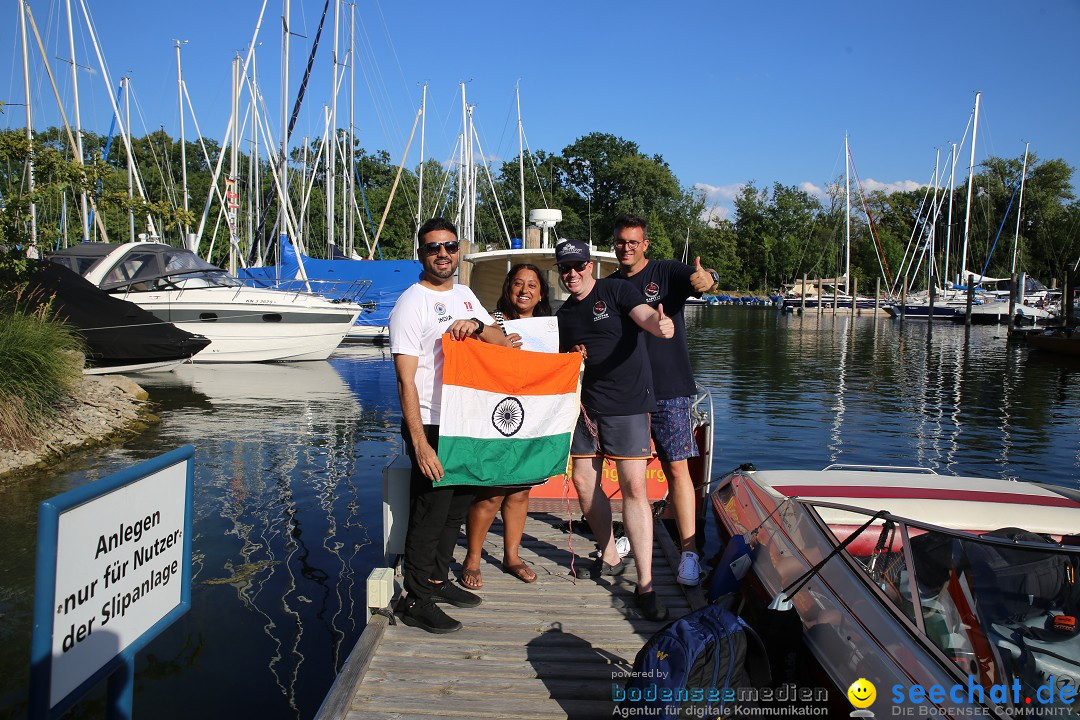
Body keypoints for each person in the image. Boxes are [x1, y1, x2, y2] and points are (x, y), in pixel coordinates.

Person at [389, 217, 513, 634]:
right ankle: (416, 598)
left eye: (449, 246)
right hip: (431, 420)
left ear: (458, 250)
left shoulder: (464, 295)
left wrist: (477, 325)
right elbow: (405, 379)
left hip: (466, 419)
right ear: (420, 254)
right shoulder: (411, 303)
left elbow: (498, 341)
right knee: (430, 512)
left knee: (456, 508)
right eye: (432, 248)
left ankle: (438, 581)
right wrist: (420, 444)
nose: (442, 254)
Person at [554, 237, 675, 621]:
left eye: (578, 266)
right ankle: (608, 552)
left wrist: (659, 323)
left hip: (626, 405)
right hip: (584, 408)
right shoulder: (562, 316)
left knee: (635, 491)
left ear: (590, 265)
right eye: (565, 268)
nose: (572, 273)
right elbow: (556, 364)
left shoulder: (616, 289)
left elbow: (644, 315)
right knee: (586, 487)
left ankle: (646, 584)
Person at [609, 213, 718, 586]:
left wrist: (709, 279)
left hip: (670, 389)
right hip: (628, 393)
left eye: (633, 242)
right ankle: (634, 532)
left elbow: (701, 279)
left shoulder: (666, 272)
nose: (627, 247)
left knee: (676, 469)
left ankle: (689, 551)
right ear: (615, 244)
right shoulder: (608, 286)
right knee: (632, 476)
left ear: (645, 245)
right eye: (621, 241)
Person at [459, 263, 553, 589]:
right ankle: (472, 557)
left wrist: (572, 356)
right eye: (518, 283)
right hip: (498, 415)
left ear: (541, 293)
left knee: (521, 490)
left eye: (532, 285)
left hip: (534, 416)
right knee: (491, 492)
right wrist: (498, 345)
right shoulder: (492, 322)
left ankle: (511, 556)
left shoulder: (550, 327)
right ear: (508, 287)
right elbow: (472, 354)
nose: (524, 290)